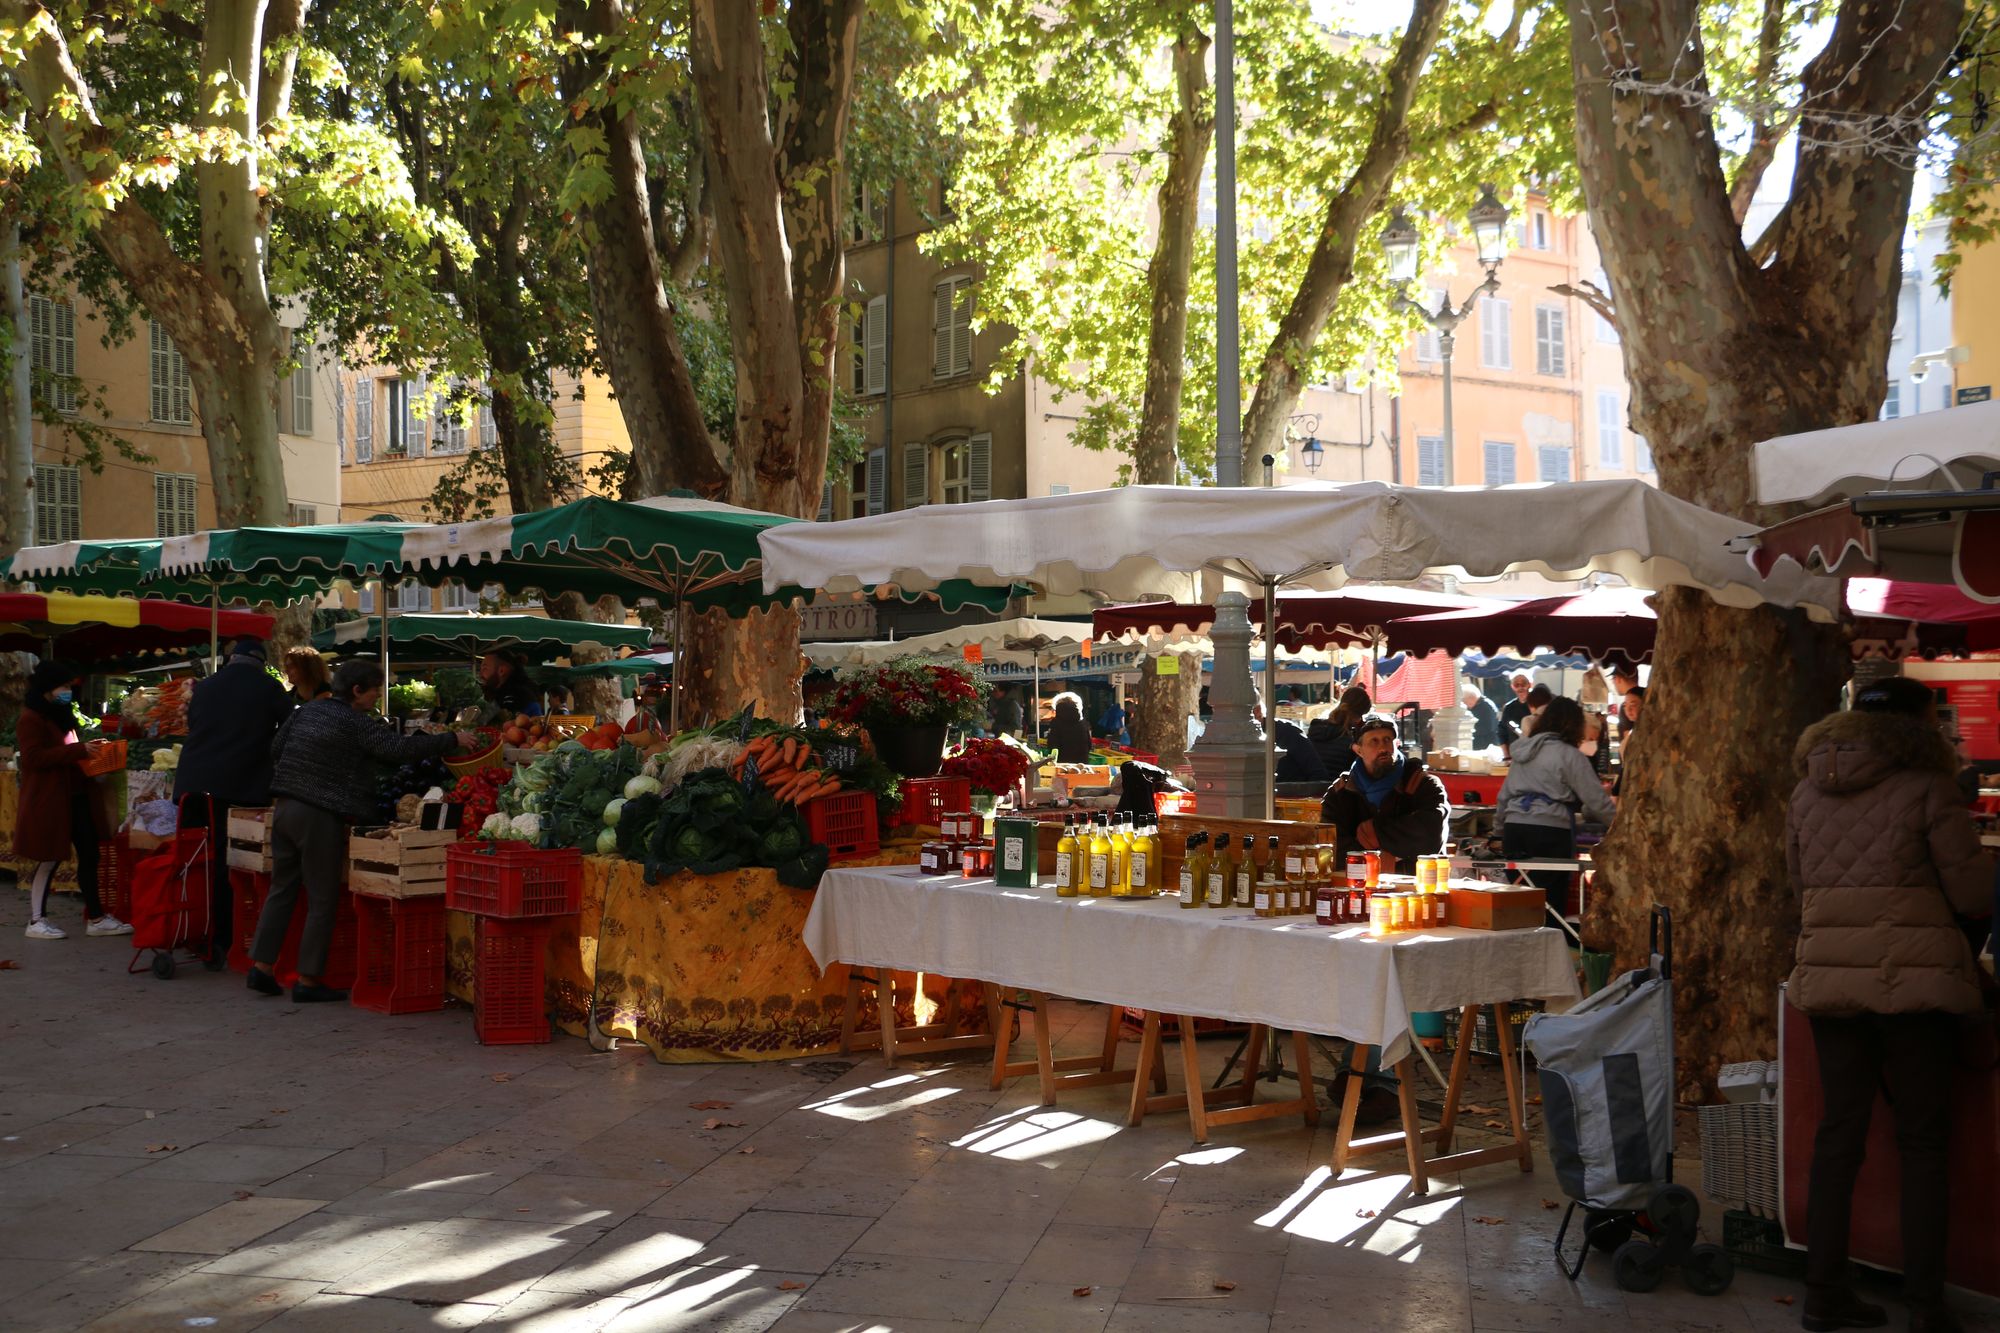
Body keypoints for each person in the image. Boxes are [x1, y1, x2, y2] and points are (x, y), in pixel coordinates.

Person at [1787, 676, 1992, 1333]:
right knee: (1924, 1144)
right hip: (1918, 984)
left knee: (1837, 1137)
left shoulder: (1806, 790)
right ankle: (1926, 1307)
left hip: (1829, 982)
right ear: (1918, 726)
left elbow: (1799, 887)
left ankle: (1823, 1294)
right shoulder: (1929, 788)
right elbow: (1970, 896)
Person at [248, 660, 478, 1002]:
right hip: (318, 814)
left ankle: (261, 967)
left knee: (283, 887)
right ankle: (308, 980)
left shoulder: (306, 712)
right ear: (357, 690)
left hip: (284, 808)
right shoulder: (354, 722)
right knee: (322, 897)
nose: (375, 698)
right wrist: (451, 738)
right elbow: (397, 750)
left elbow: (276, 748)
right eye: (373, 691)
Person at [174, 637, 295, 966]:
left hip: (192, 787)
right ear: (260, 661)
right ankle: (222, 939)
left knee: (198, 861)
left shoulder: (205, 686)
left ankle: (193, 929)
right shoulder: (269, 688)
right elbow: (290, 732)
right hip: (238, 788)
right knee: (230, 864)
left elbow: (195, 725)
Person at [14, 661, 129, 940]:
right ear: (48, 688)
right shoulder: (31, 718)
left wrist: (91, 759)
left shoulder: (61, 715)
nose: (68, 691)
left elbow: (69, 751)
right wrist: (78, 751)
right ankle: (37, 921)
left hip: (75, 796)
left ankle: (97, 918)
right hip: (51, 799)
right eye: (64, 686)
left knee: (90, 853)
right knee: (49, 857)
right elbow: (32, 758)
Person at [1491, 697, 1617, 919]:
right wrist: (1620, 826)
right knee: (1549, 904)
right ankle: (1546, 950)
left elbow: (1504, 796)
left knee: (1517, 901)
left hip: (1515, 830)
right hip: (1550, 832)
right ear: (1574, 725)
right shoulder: (1570, 755)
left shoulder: (1521, 753)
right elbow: (1597, 801)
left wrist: (1498, 832)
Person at [1319, 713, 1449, 872]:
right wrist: (1389, 858)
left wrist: (1371, 832)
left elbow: (1429, 838)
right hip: (1357, 888)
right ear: (1358, 750)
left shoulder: (1424, 785)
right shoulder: (1340, 793)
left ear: (1397, 744)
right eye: (1374, 741)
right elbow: (1330, 849)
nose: (1383, 748)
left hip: (1417, 888)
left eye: (1388, 740)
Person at [1308, 685, 1373, 774]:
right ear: (1358, 716)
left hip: (1307, 783)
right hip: (1334, 786)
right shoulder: (1351, 741)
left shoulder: (1315, 728)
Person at [476, 649, 541, 722]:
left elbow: (483, 722)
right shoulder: (509, 690)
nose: (480, 675)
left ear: (502, 671)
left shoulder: (514, 695)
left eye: (485, 669)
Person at [1048, 692, 1092, 764]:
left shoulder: (1056, 723)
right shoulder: (1083, 722)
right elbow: (1089, 745)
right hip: (1082, 763)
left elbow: (1052, 744)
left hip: (1063, 763)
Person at [1458, 684, 1503, 751]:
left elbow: (1487, 727)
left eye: (1465, 701)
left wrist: (1468, 730)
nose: (1465, 705)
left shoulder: (1486, 707)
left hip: (1486, 746)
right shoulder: (1480, 705)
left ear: (1471, 698)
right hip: (1480, 745)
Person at [1499, 671, 1534, 743]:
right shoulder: (1508, 707)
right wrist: (1506, 753)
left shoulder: (1536, 704)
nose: (1520, 687)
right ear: (1512, 687)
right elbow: (1502, 732)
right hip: (1514, 750)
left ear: (1530, 685)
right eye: (1516, 685)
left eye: (1523, 684)